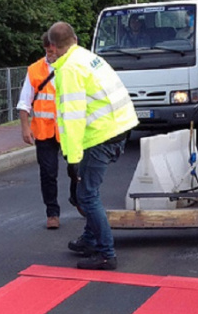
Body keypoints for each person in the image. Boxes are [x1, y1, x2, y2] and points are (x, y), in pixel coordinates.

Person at [47, 21, 139, 270]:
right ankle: (89, 240)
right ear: (75, 39)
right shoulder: (87, 57)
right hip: (119, 127)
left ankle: (106, 253)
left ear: (53, 47)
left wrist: (73, 158)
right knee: (87, 192)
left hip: (101, 134)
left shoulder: (69, 70)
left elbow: (73, 118)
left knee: (87, 196)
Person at [17, 33, 80, 230]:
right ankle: (52, 213)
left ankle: (77, 198)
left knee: (76, 170)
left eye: (52, 51)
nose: (50, 54)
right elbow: (24, 102)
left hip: (68, 130)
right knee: (48, 173)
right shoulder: (35, 70)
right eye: (47, 51)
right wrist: (25, 127)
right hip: (44, 131)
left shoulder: (72, 67)